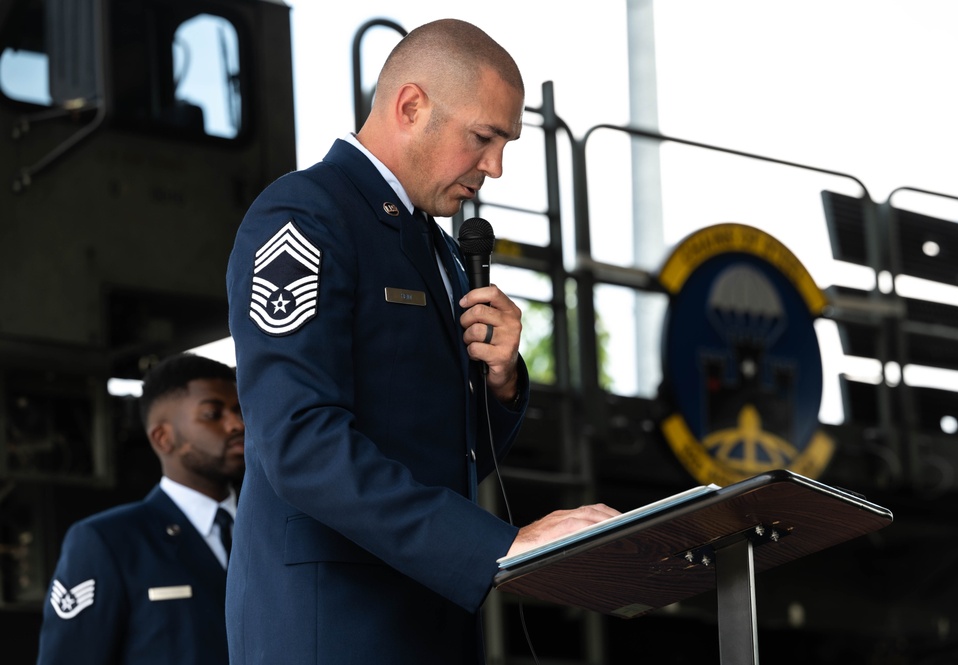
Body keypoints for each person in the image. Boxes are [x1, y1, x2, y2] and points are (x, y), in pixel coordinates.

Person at [225, 18, 618, 664]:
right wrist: (498, 544)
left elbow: (439, 453)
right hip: (334, 627)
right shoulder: (305, 215)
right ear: (411, 106)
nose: (493, 167)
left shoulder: (432, 247)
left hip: (421, 618)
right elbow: (296, 441)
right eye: (483, 138)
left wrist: (501, 382)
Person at [35, 353, 245, 665]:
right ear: (163, 438)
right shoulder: (107, 542)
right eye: (213, 414)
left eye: (239, 410)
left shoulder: (272, 529)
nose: (237, 425)